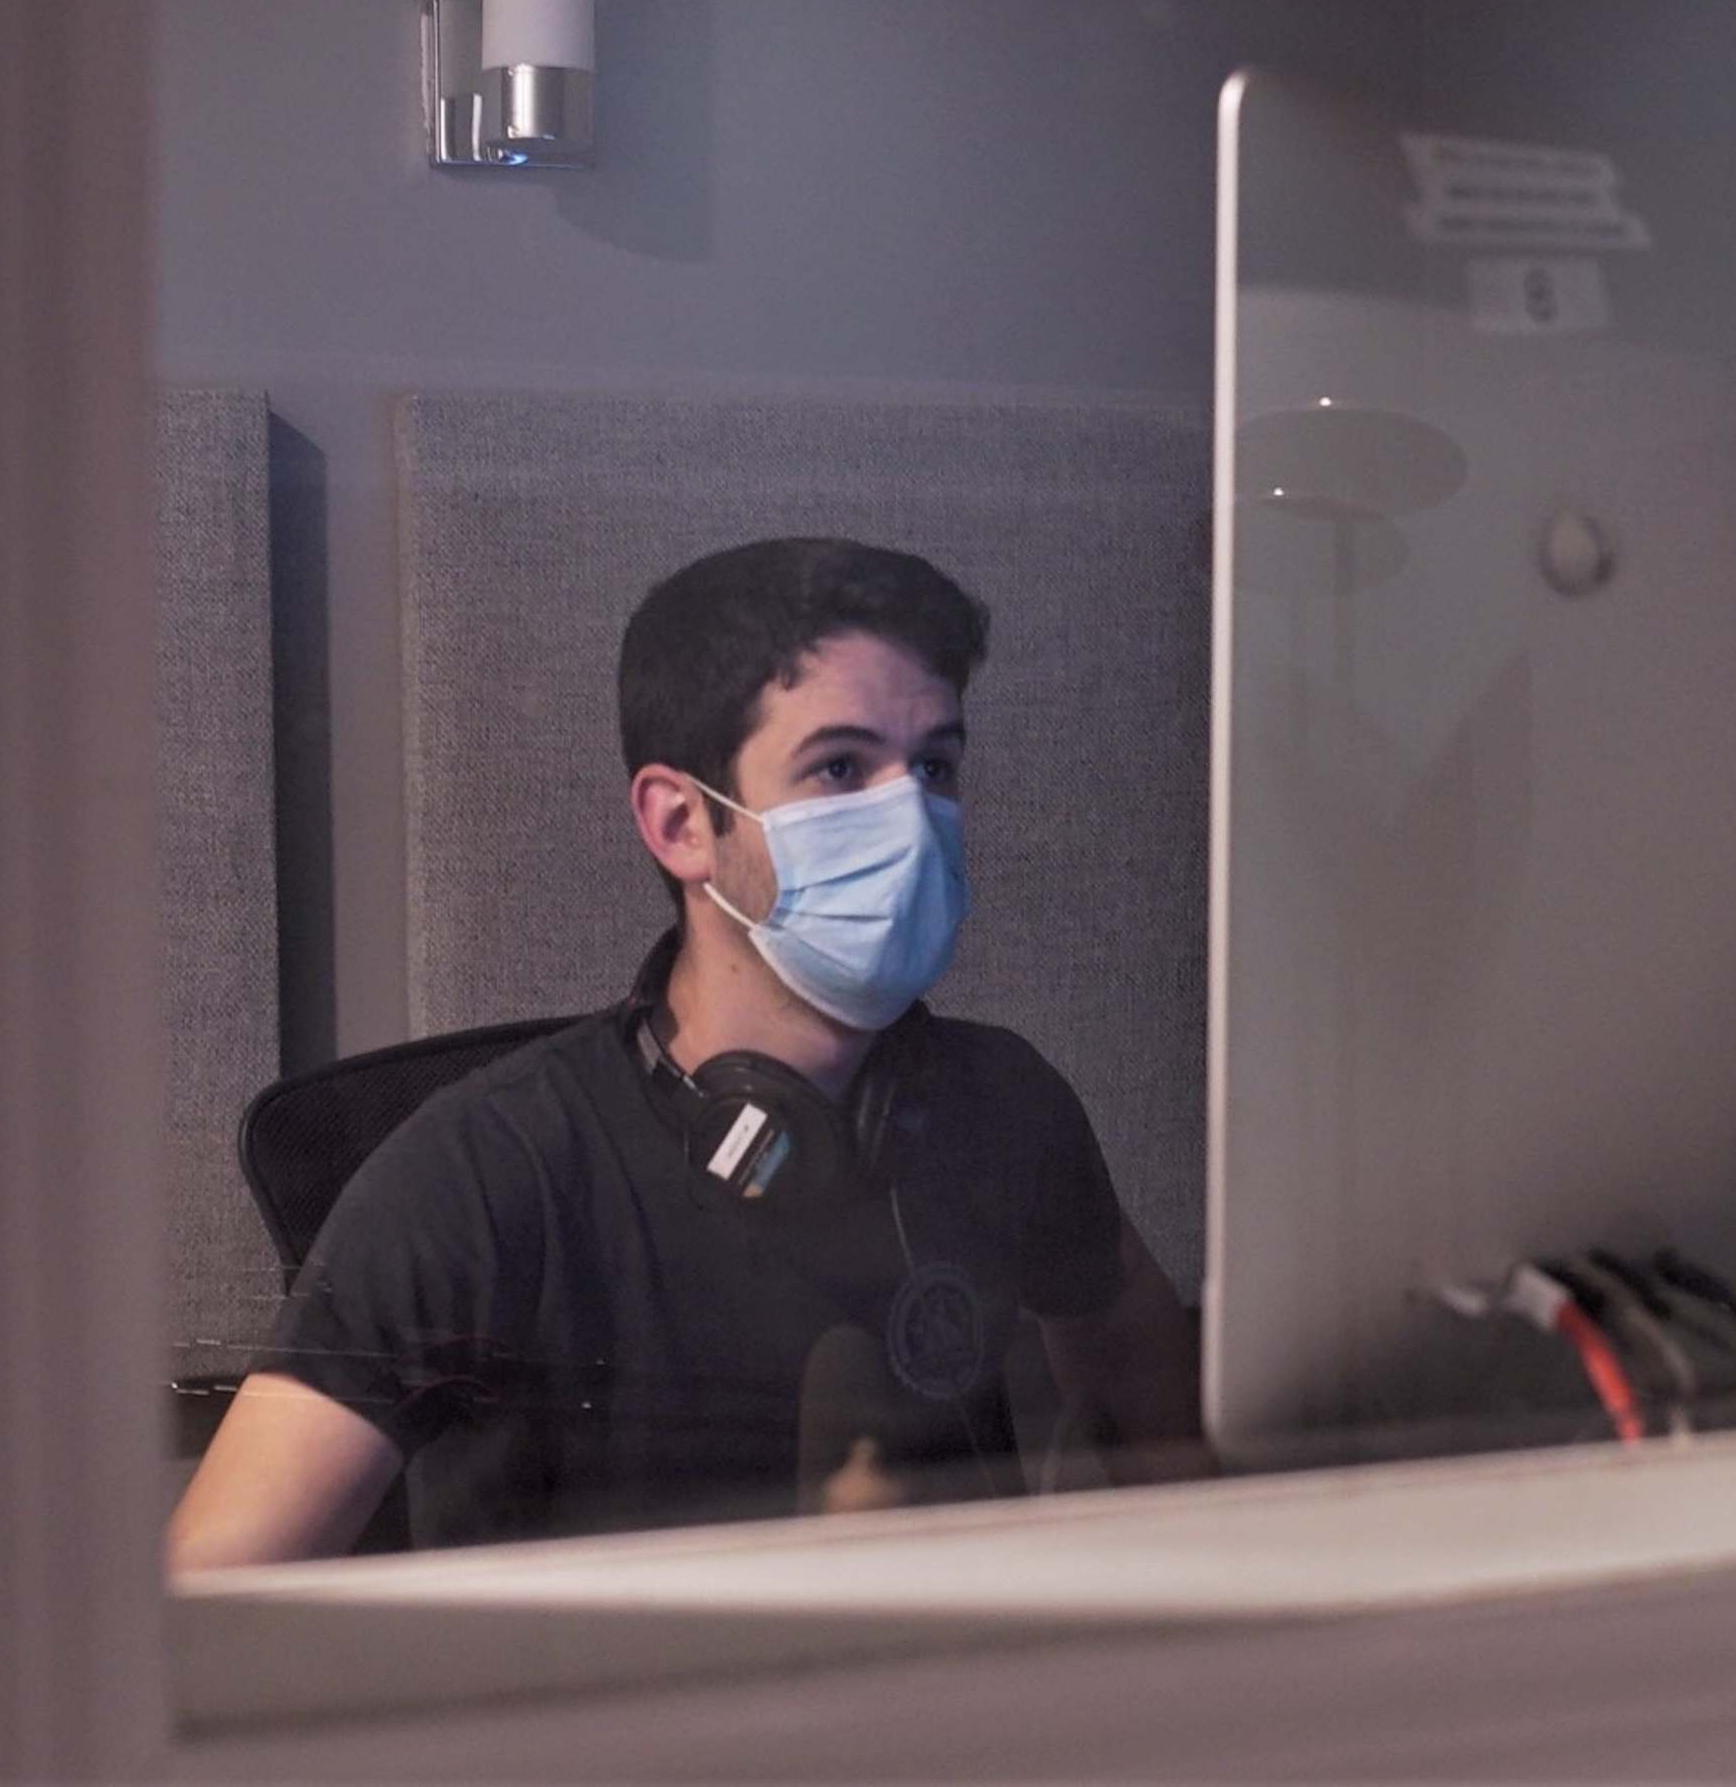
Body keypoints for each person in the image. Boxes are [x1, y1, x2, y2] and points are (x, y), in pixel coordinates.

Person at [167, 538, 1207, 1570]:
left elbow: (1160, 1426)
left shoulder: (1002, 1102)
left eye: (933, 765)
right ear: (681, 823)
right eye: (840, 766)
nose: (911, 819)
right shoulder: (477, 1176)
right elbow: (208, 1609)